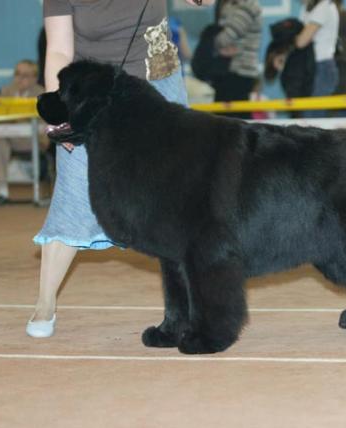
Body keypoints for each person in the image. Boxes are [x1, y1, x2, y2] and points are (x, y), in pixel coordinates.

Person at [27, 0, 214, 338]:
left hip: (159, 82)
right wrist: (61, 111)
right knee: (73, 192)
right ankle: (45, 302)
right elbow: (58, 51)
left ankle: (187, 306)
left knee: (176, 201)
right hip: (91, 91)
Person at [0, 60, 46, 207]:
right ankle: (3, 192)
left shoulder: (41, 93)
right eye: (17, 74)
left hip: (35, 139)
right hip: (9, 138)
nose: (20, 78)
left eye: (25, 75)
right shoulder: (7, 91)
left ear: (34, 77)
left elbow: (44, 122)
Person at [212, 0, 262, 117]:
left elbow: (227, 36)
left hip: (240, 70)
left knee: (235, 121)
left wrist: (211, 43)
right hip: (228, 70)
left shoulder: (248, 6)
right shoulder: (231, 4)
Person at [295, 0, 340, 117]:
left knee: (312, 117)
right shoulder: (307, 9)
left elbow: (302, 41)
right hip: (310, 66)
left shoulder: (324, 6)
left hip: (323, 67)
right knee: (307, 116)